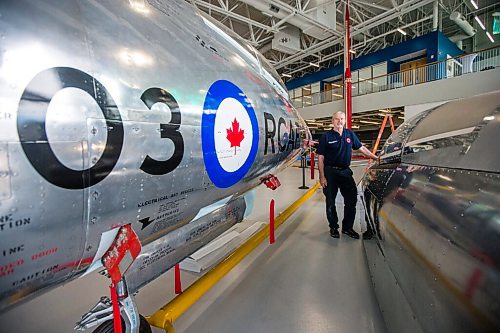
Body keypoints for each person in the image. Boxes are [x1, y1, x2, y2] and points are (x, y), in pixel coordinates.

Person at [317, 111, 379, 239]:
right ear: (332, 121)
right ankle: (333, 227)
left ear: (345, 120)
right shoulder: (326, 137)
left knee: (351, 200)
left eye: (342, 119)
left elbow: (361, 148)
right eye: (336, 119)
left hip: (345, 171)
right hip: (330, 172)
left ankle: (347, 228)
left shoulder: (350, 134)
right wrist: (322, 176)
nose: (339, 121)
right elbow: (321, 158)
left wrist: (376, 158)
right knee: (330, 201)